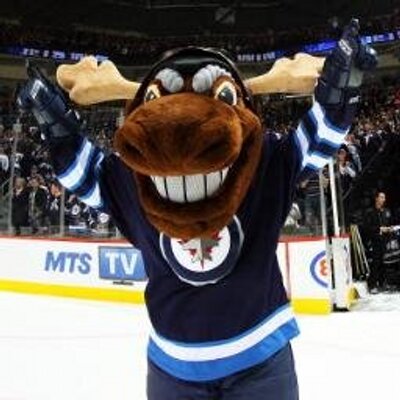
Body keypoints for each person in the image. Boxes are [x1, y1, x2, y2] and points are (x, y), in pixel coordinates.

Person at [17, 20, 376, 400]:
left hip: (259, 359)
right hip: (175, 365)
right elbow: (83, 173)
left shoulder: (260, 160)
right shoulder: (134, 173)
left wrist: (342, 84)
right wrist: (54, 121)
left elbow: (318, 138)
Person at [363, 192, 396, 293]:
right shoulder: (370, 212)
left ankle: (382, 283)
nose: (383, 199)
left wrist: (390, 228)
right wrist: (380, 229)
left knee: (384, 262)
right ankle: (372, 284)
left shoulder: (386, 211)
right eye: (381, 197)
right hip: (374, 240)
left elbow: (389, 223)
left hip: (385, 240)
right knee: (376, 262)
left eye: (384, 198)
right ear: (376, 199)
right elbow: (367, 227)